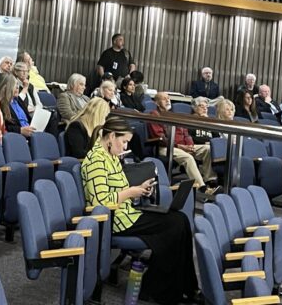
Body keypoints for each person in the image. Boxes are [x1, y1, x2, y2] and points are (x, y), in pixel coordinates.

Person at [81, 117, 199, 303]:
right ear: (111, 136)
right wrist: (130, 192)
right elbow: (100, 203)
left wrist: (139, 190)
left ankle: (186, 287)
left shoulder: (109, 157)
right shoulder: (96, 161)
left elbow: (116, 190)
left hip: (126, 213)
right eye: (124, 141)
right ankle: (158, 290)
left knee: (180, 219)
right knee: (174, 225)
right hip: (116, 221)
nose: (125, 146)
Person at [148, 92, 214, 194]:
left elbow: (185, 133)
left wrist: (189, 145)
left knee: (207, 149)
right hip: (166, 147)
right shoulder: (154, 115)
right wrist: (180, 146)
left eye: (168, 98)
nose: (167, 100)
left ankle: (209, 180)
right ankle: (202, 189)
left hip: (182, 146)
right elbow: (161, 138)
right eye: (164, 99)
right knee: (188, 158)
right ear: (156, 103)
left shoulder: (174, 115)